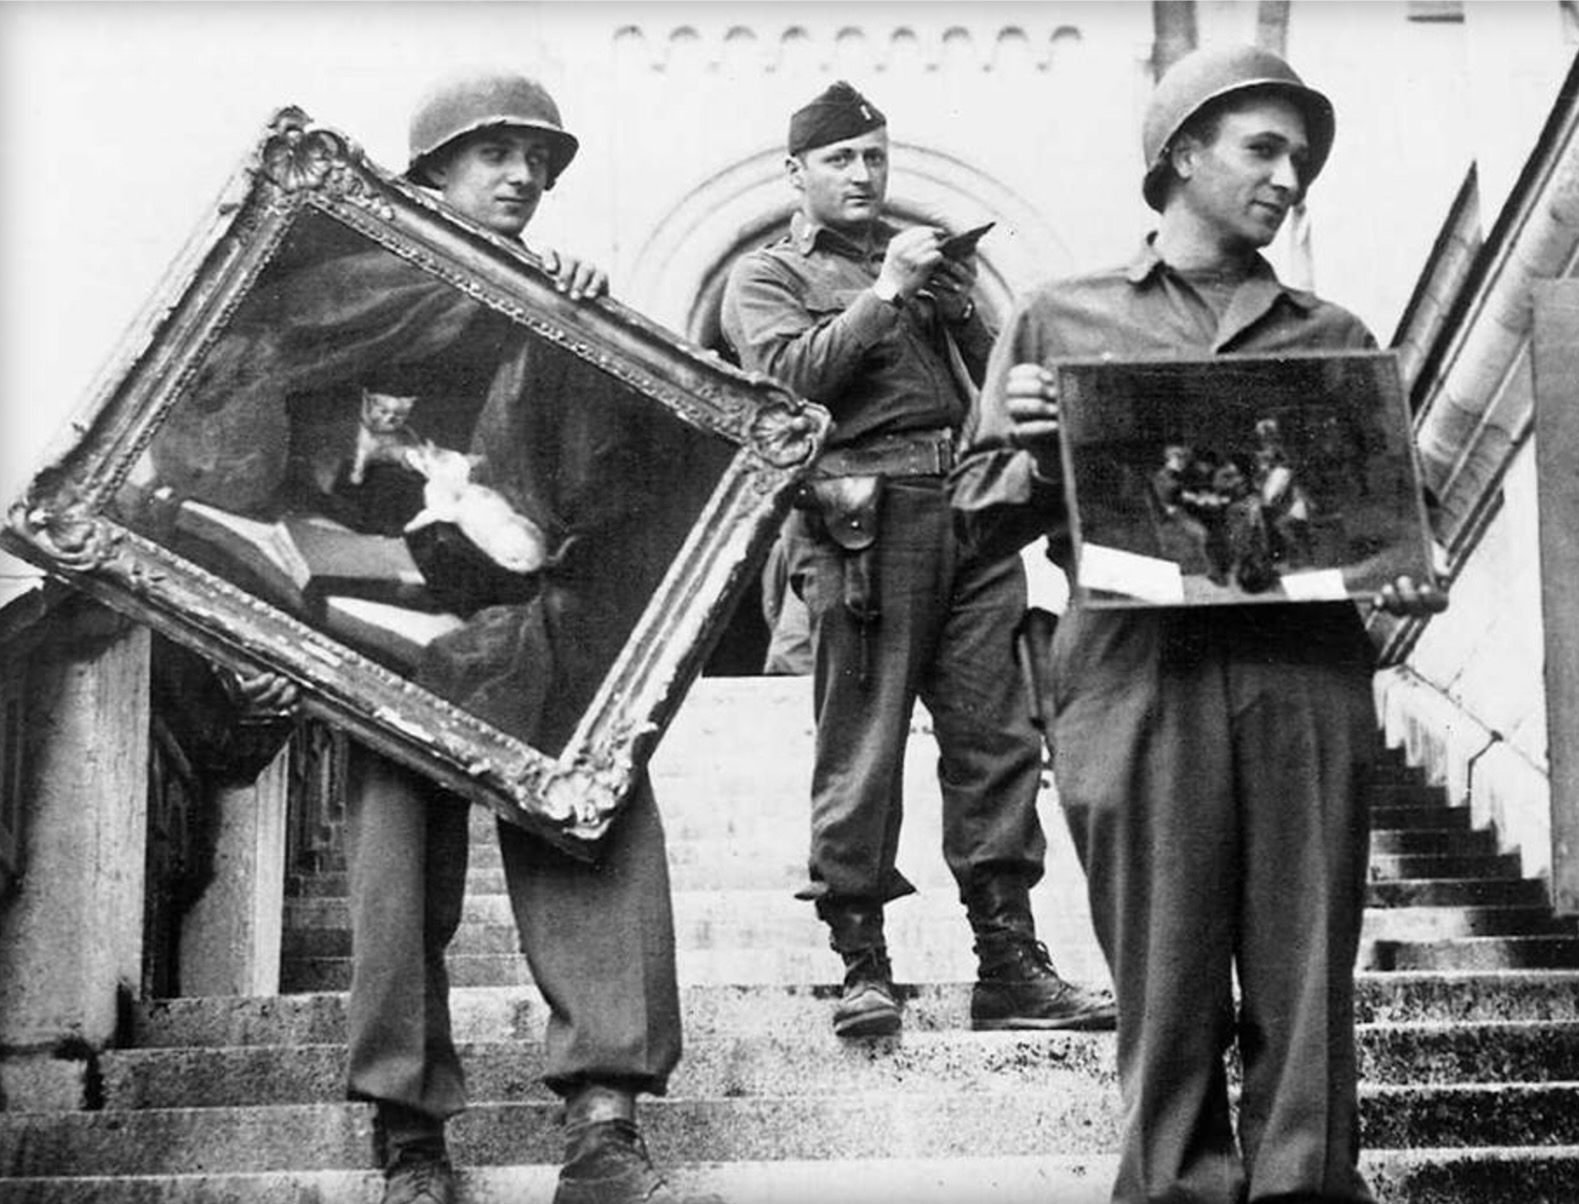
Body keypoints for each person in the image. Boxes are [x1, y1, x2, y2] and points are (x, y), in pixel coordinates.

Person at [151, 70, 696, 1204]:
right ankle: (408, 1135)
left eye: (539, 161)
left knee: (590, 817)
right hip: (371, 620)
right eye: (497, 153)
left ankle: (605, 1119)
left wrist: (582, 333)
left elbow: (607, 482)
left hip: (522, 618)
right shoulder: (335, 294)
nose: (525, 178)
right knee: (394, 871)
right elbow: (236, 436)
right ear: (432, 170)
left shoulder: (550, 301)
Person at [949, 45, 1446, 1204]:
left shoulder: (1333, 336)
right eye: (1263, 148)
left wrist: (1408, 576)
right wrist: (1028, 454)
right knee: (1165, 980)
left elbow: (1394, 522)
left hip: (1302, 676)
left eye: (1303, 157)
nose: (1291, 176)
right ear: (1180, 155)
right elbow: (970, 525)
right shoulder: (1058, 319)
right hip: (1135, 675)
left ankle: (1306, 1191)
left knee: (1305, 977)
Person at [719, 80, 1115, 1039]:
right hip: (861, 520)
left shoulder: (925, 274)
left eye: (874, 157)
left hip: (970, 517)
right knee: (862, 742)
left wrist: (958, 306)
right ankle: (862, 963)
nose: (863, 175)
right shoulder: (765, 277)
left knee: (998, 740)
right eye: (841, 160)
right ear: (796, 175)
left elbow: (992, 388)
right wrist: (887, 294)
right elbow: (784, 387)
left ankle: (1010, 965)